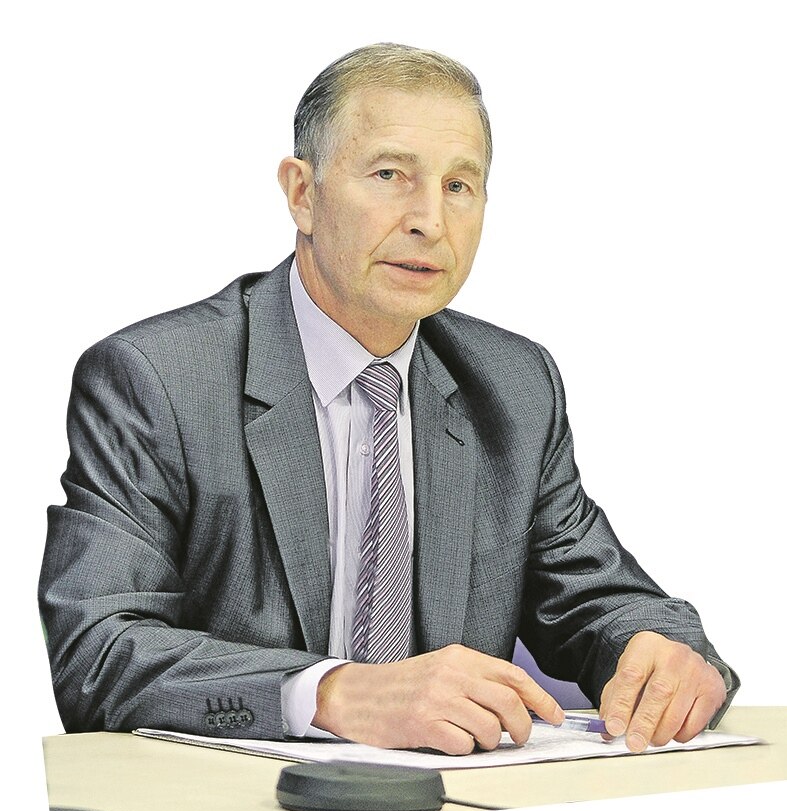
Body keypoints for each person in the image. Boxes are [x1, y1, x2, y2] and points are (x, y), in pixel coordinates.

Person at [39, 43, 738, 756]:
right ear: (302, 194)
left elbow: (595, 598)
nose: (430, 220)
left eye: (459, 185)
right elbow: (97, 653)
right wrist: (335, 693)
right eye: (389, 175)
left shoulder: (514, 385)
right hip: (228, 801)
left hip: (461, 798)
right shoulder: (158, 378)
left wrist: (659, 651)